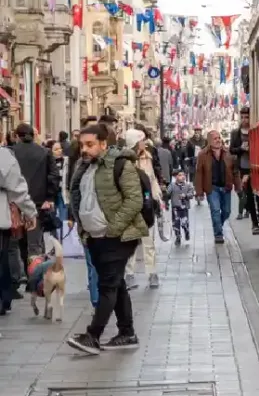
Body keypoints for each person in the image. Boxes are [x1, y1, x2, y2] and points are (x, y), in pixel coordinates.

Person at [66, 123, 146, 355]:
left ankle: (93, 335)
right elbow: (79, 199)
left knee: (107, 285)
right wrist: (85, 229)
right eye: (82, 144)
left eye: (90, 145)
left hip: (117, 237)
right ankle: (127, 332)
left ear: (104, 143)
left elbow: (134, 200)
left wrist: (114, 228)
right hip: (95, 236)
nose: (85, 149)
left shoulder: (121, 164)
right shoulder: (84, 167)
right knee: (117, 283)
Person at [9, 124, 58, 272]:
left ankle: (25, 272)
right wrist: (49, 198)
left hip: (15, 203)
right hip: (37, 203)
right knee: (35, 242)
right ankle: (36, 277)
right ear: (34, 136)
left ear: (17, 136)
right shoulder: (45, 152)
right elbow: (54, 176)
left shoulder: (11, 152)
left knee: (18, 242)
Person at [0, 137, 36, 315]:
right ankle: (2, 299)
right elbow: (17, 188)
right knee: (1, 259)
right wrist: (30, 212)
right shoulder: (3, 157)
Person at [122, 130, 161, 289]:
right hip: (130, 205)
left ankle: (152, 273)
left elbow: (152, 180)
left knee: (148, 242)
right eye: (142, 140)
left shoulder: (147, 157)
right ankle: (129, 274)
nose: (144, 143)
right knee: (130, 241)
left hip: (146, 205)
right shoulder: (124, 161)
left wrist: (157, 197)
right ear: (135, 143)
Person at [194, 131, 238, 244]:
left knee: (227, 211)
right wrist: (199, 192)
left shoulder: (227, 152)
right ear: (209, 141)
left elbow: (235, 171)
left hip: (226, 187)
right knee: (215, 210)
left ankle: (218, 224)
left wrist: (238, 186)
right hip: (212, 188)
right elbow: (199, 173)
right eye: (215, 138)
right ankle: (218, 234)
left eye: (219, 138)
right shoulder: (203, 154)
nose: (218, 140)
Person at [230, 108, 252, 221]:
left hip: (252, 165)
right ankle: (241, 212)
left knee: (250, 191)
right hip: (241, 166)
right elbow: (231, 150)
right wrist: (241, 149)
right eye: (242, 117)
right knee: (241, 190)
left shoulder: (254, 130)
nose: (244, 120)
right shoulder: (235, 133)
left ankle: (248, 210)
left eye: (247, 117)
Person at [167, 171, 195, 247]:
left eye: (183, 175)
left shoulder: (188, 185)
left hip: (184, 207)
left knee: (184, 222)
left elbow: (192, 194)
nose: (182, 176)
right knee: (176, 223)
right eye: (180, 175)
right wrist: (164, 193)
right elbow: (167, 194)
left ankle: (186, 232)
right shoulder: (172, 185)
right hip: (175, 207)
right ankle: (178, 237)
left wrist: (186, 195)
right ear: (176, 177)